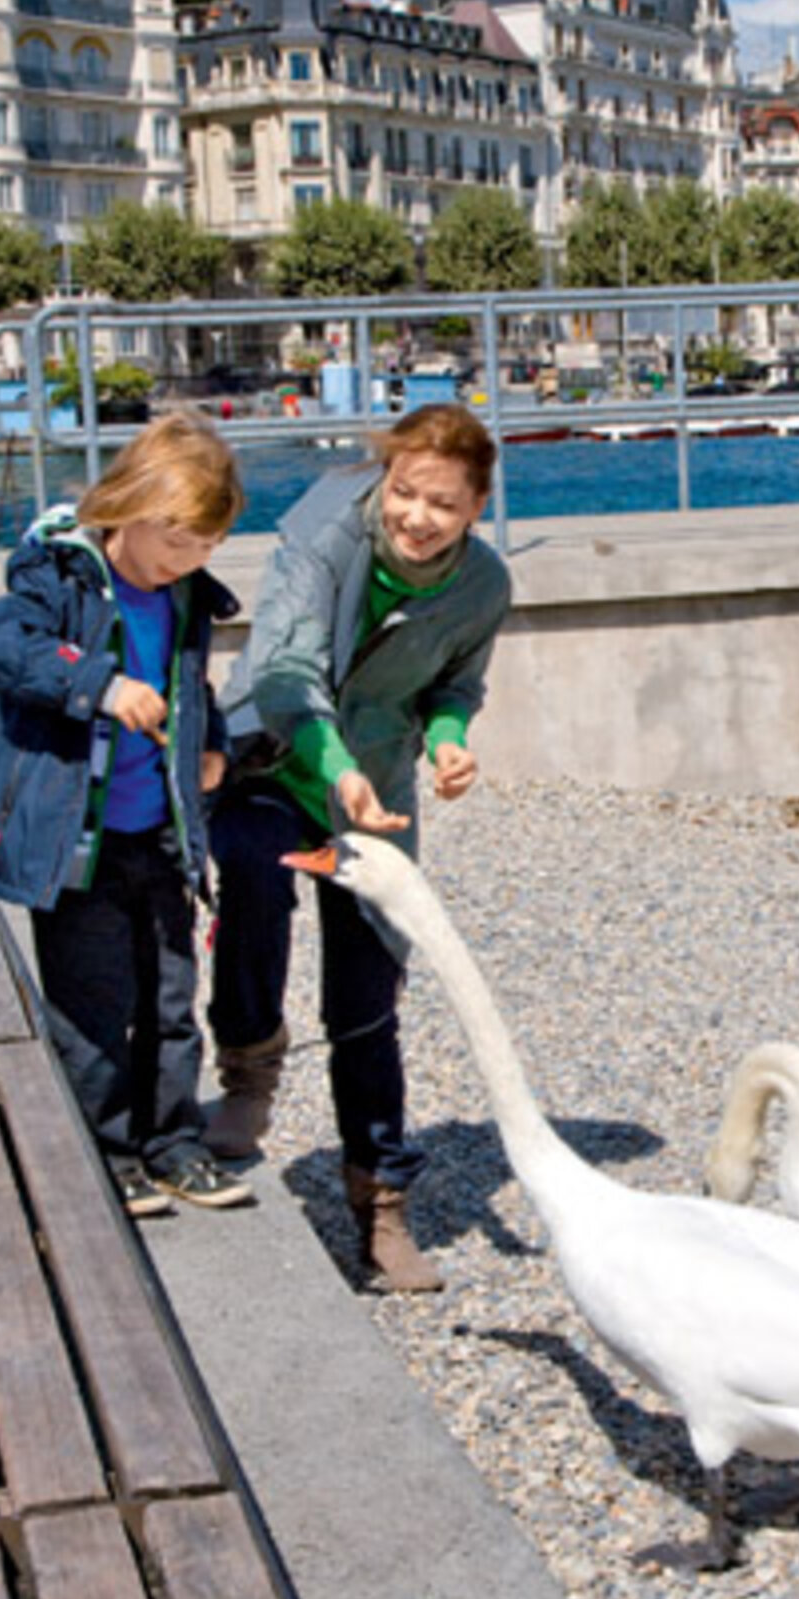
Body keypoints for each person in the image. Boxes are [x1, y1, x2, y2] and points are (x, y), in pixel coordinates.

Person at [206, 402, 511, 1291]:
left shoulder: (483, 586)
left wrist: (450, 740)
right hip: (276, 758)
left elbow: (456, 685)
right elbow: (288, 670)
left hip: (375, 794)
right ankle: (249, 1065)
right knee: (256, 875)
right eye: (405, 492)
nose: (417, 516)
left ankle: (379, 1203)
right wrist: (334, 767)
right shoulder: (325, 534)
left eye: (442, 504)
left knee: (368, 994)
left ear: (475, 508)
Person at [0, 409, 253, 1217]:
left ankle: (174, 1143)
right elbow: (5, 650)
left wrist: (216, 747)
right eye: (175, 544)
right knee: (93, 1007)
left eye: (204, 548)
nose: (187, 563)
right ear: (129, 509)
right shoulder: (54, 578)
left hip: (160, 829)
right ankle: (108, 1149)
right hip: (78, 842)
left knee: (170, 998)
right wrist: (97, 684)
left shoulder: (186, 593)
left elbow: (190, 687)